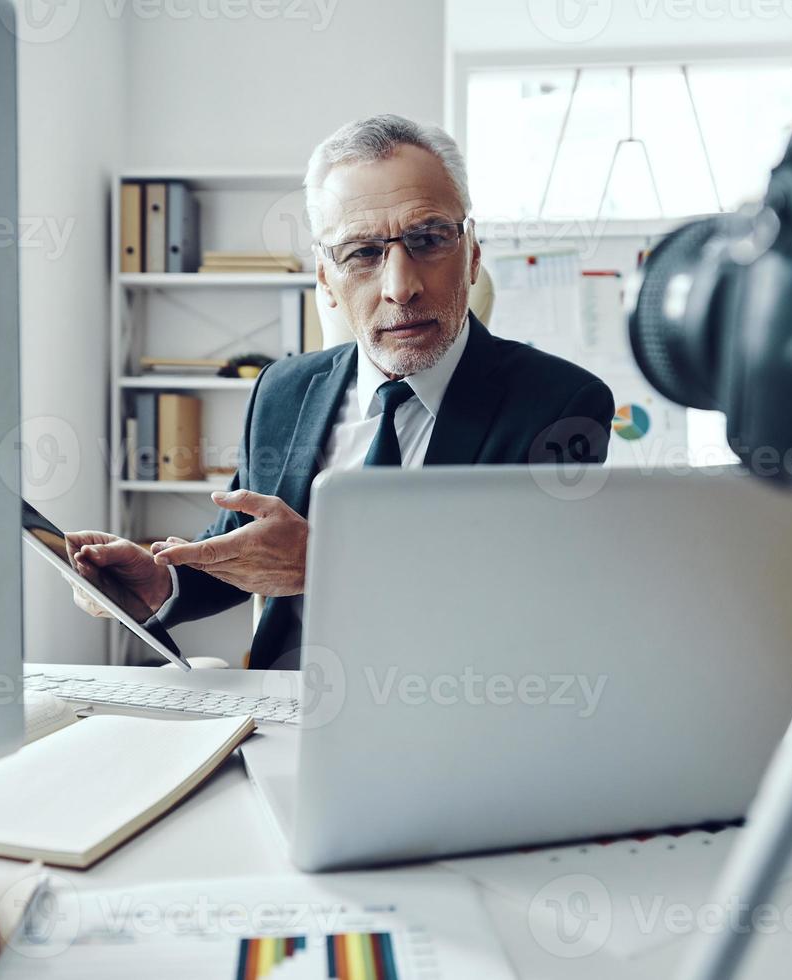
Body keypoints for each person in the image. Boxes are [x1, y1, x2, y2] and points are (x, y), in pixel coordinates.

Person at [66, 114, 614, 669]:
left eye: (427, 240)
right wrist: (159, 584)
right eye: (362, 253)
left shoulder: (561, 405)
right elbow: (248, 549)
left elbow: (530, 603)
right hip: (288, 704)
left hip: (457, 707)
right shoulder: (282, 390)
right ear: (326, 279)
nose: (401, 287)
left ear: (472, 253)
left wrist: (325, 560)